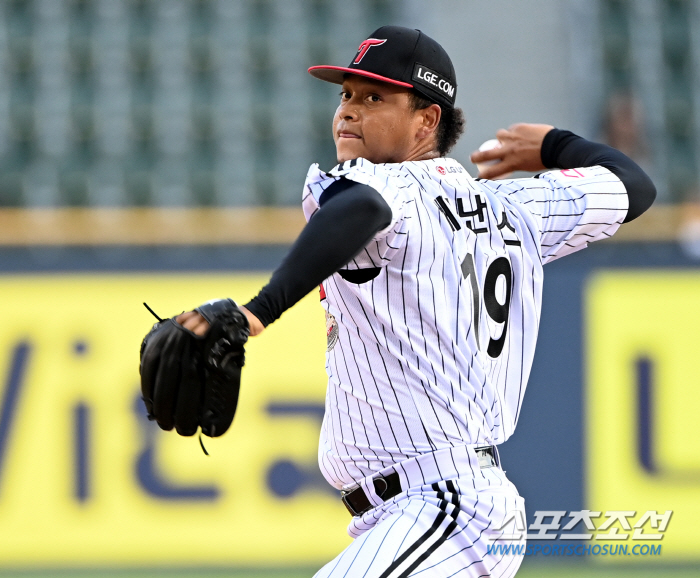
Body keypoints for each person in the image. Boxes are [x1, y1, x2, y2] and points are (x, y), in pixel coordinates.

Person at [177, 26, 655, 577]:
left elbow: (361, 209)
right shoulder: (516, 207)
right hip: (430, 513)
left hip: (444, 506)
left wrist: (256, 311)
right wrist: (555, 145)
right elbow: (632, 186)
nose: (349, 111)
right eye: (347, 95)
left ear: (427, 120)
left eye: (374, 97)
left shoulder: (388, 186)